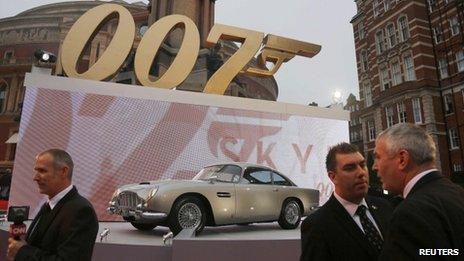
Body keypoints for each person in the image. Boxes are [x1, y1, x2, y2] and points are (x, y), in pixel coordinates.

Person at [373, 123, 464, 260]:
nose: (374, 166)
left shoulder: (410, 213)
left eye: (378, 157)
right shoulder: (457, 192)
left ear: (402, 159)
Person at [300, 143, 393, 261]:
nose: (361, 173)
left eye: (362, 165)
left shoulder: (384, 207)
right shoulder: (317, 225)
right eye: (350, 168)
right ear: (333, 177)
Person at [7, 149, 99, 261]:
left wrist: (22, 251)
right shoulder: (48, 206)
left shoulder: (81, 211)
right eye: (36, 171)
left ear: (64, 172)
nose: (35, 177)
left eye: (42, 171)